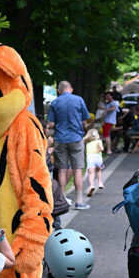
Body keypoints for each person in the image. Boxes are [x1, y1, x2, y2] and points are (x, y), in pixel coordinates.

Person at [47, 80, 90, 211]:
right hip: (76, 138)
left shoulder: (55, 102)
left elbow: (52, 124)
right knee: (77, 170)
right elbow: (84, 120)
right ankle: (79, 201)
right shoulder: (79, 100)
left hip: (60, 139)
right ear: (70, 89)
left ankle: (62, 200)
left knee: (61, 170)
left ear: (59, 91)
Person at [84, 128, 104, 196]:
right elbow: (102, 148)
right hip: (98, 157)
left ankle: (91, 185)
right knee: (98, 170)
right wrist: (99, 149)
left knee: (91, 174)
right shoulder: (98, 141)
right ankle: (100, 182)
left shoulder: (87, 143)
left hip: (90, 158)